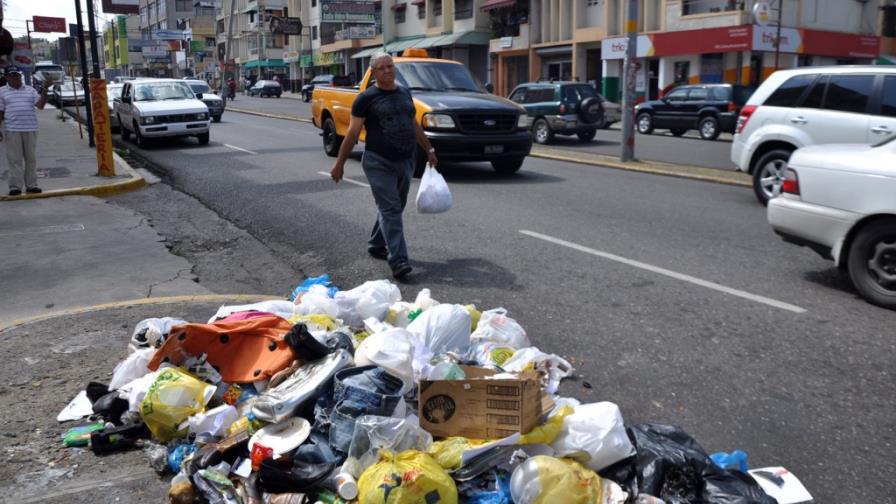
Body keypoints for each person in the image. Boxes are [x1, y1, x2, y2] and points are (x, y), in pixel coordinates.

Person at [329, 52, 437, 279]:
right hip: (378, 161)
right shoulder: (366, 99)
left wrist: (428, 149)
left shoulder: (405, 93)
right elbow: (352, 132)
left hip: (406, 159)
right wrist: (340, 163)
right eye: (382, 68)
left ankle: (377, 244)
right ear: (374, 73)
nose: (387, 70)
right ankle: (398, 260)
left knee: (395, 207)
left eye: (390, 66)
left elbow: (413, 124)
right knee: (390, 209)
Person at [0, 66, 50, 196]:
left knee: (31, 159)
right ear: (6, 77)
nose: (16, 77)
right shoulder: (2, 91)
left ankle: (32, 186)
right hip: (12, 130)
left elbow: (40, 106)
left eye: (17, 75)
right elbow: (0, 113)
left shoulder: (30, 90)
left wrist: (45, 90)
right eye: (12, 75)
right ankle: (15, 187)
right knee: (14, 159)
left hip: (30, 128)